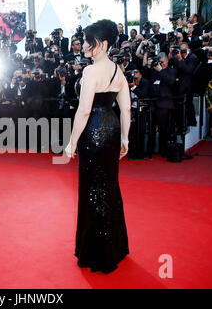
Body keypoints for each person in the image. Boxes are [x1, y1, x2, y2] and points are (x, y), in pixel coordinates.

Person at [65, 20, 131, 273]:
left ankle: (96, 254)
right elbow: (125, 108)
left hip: (93, 133)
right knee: (109, 188)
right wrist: (125, 138)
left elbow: (83, 112)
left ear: (102, 44)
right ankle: (115, 248)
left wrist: (71, 143)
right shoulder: (119, 71)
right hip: (112, 132)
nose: (82, 45)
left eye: (87, 41)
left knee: (93, 190)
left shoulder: (91, 72)